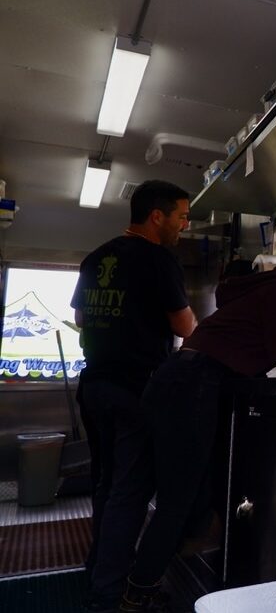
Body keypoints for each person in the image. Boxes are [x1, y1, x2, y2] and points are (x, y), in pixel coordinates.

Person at [117, 248, 276, 613]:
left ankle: (124, 580)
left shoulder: (270, 287)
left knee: (152, 491)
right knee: (179, 499)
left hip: (172, 380)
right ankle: (137, 592)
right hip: (192, 387)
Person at [71, 180, 198, 613]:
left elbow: (81, 316)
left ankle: (97, 572)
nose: (185, 224)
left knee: (107, 485)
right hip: (135, 390)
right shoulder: (159, 260)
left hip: (94, 387)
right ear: (157, 216)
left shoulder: (95, 257)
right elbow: (185, 327)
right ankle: (108, 595)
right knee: (129, 492)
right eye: (182, 216)